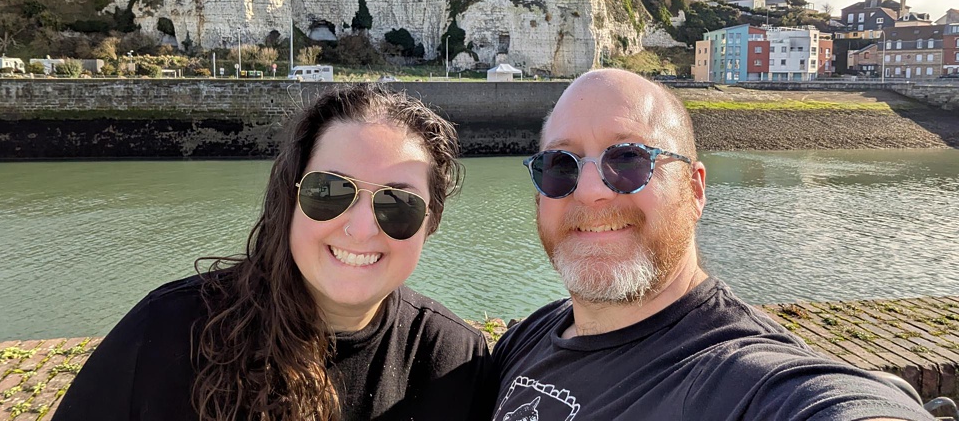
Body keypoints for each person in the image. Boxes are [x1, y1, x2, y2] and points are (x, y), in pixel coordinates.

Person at [491, 68, 933, 421]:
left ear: (695, 190)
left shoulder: (739, 378)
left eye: (628, 158)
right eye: (560, 165)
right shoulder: (531, 336)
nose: (590, 192)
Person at [56, 84, 495, 421]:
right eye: (329, 191)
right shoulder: (169, 333)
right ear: (291, 199)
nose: (361, 229)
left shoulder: (453, 358)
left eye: (398, 205)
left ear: (429, 223)